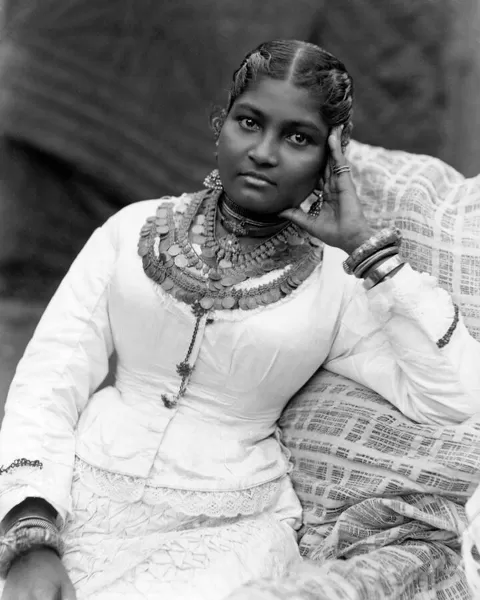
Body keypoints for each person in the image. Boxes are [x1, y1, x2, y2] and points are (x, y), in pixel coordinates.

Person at [0, 39, 479, 600]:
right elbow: (47, 383)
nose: (264, 152)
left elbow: (453, 397)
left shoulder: (340, 285)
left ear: (334, 156)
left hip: (229, 533)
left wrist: (371, 254)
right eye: (249, 122)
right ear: (219, 123)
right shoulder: (131, 231)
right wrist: (30, 534)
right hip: (76, 496)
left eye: (298, 138)